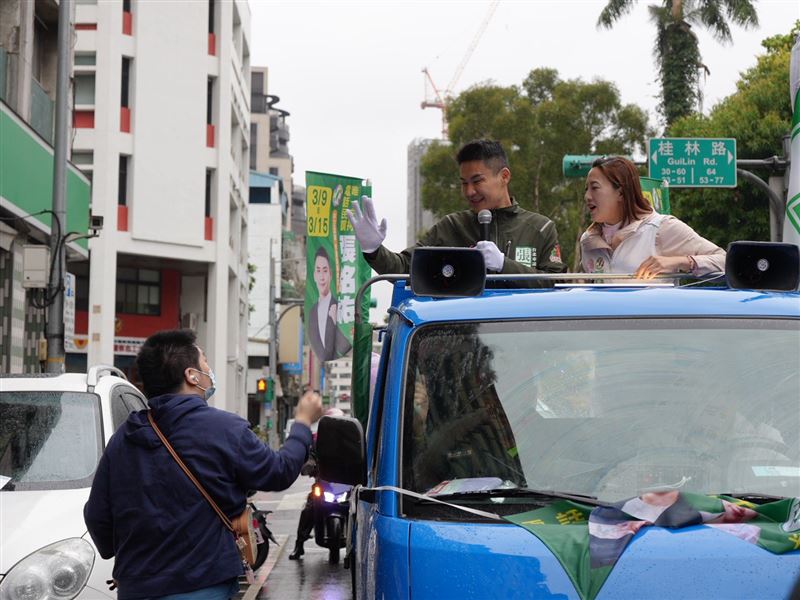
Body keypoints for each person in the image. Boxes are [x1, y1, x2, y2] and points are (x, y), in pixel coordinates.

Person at [84, 329, 322, 600]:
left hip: (137, 587)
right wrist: (302, 422)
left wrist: (133, 559)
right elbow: (278, 472)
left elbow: (97, 516)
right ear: (192, 375)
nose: (210, 369)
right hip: (203, 585)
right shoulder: (224, 429)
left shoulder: (123, 439)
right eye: (205, 362)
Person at [347, 139, 567, 283]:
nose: (470, 191)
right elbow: (404, 268)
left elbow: (557, 282)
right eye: (463, 183)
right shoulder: (451, 227)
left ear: (504, 176)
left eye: (477, 181)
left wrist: (503, 265)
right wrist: (373, 250)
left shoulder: (540, 228)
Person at [580, 156, 725, 278]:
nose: (587, 196)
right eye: (586, 189)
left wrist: (679, 261)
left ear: (621, 193)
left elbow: (725, 261)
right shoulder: (588, 241)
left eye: (595, 187)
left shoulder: (662, 228)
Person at [288, 406, 345, 560]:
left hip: (344, 486)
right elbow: (310, 457)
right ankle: (299, 545)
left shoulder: (349, 442)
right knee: (309, 508)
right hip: (323, 484)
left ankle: (359, 547)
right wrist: (308, 466)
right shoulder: (315, 440)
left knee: (360, 508)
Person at [307, 246, 352, 361]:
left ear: (331, 275)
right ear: (314, 275)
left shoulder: (340, 308)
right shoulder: (311, 312)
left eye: (325, 271)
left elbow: (346, 345)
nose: (322, 277)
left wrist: (334, 321)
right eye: (318, 271)